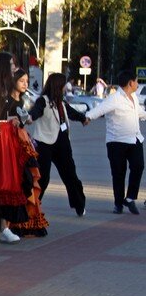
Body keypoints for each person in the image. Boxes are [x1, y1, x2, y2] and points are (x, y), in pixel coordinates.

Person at [84, 69, 146, 214]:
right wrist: (87, 117)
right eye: (136, 81)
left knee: (138, 166)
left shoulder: (134, 97)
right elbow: (99, 109)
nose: (137, 84)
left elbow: (140, 113)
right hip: (116, 142)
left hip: (135, 139)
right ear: (130, 83)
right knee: (119, 173)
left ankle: (129, 198)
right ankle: (118, 204)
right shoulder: (115, 98)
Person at [27, 73, 87, 216]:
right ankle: (32, 207)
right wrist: (29, 117)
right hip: (44, 144)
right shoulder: (43, 101)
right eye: (64, 85)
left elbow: (72, 113)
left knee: (70, 175)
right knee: (43, 178)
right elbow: (35, 112)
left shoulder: (61, 102)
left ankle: (79, 205)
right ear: (58, 86)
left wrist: (83, 118)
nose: (66, 87)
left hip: (62, 143)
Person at [0, 53, 27, 243]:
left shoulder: (6, 86)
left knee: (8, 182)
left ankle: (4, 227)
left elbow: (4, 113)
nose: (13, 67)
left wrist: (11, 119)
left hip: (6, 136)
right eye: (10, 64)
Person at [4, 68, 49, 237]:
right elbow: (4, 121)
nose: (25, 84)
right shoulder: (8, 101)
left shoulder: (22, 100)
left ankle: (23, 222)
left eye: (27, 81)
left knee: (27, 180)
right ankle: (10, 223)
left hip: (22, 142)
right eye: (21, 81)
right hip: (11, 143)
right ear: (13, 81)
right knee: (21, 181)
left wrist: (24, 120)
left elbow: (23, 120)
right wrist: (15, 121)